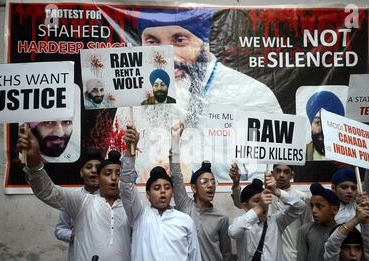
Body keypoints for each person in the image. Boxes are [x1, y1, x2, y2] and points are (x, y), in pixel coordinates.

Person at [114, 8, 283, 183]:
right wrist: (141, 181)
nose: (167, 56)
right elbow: (116, 171)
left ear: (204, 43)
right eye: (153, 42)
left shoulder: (252, 94)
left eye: (179, 40)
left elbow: (270, 178)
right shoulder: (132, 100)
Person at [16, 127, 132, 261]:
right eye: (107, 173)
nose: (114, 178)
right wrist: (34, 163)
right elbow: (48, 191)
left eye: (118, 174)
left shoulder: (132, 207)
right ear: (99, 177)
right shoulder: (80, 201)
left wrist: (130, 150)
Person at [120, 123, 205, 261]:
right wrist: (130, 151)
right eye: (157, 188)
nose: (163, 191)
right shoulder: (139, 216)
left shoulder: (184, 220)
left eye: (167, 187)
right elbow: (126, 186)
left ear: (172, 192)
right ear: (148, 195)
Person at [169, 122, 233, 261]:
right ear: (194, 188)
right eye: (205, 182)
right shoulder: (184, 206)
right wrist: (175, 141)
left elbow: (227, 257)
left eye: (213, 182)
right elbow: (175, 174)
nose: (210, 185)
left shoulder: (221, 218)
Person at [230, 163, 311, 261]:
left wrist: (276, 192)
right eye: (278, 171)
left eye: (286, 171)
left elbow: (300, 208)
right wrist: (258, 205)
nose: (281, 175)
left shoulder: (277, 219)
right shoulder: (245, 221)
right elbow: (234, 227)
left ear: (292, 174)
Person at [54, 148, 103, 261]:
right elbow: (59, 229)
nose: (94, 171)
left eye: (98, 168)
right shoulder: (71, 198)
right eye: (89, 167)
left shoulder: (112, 199)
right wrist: (73, 235)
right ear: (81, 173)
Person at [297, 183, 339, 261]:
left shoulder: (341, 232)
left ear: (334, 209)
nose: (314, 210)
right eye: (312, 206)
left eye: (319, 206)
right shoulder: (305, 230)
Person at [305, 91, 345, 160]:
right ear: (311, 125)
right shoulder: (303, 153)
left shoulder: (347, 157)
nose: (323, 129)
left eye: (328, 123)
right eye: (318, 122)